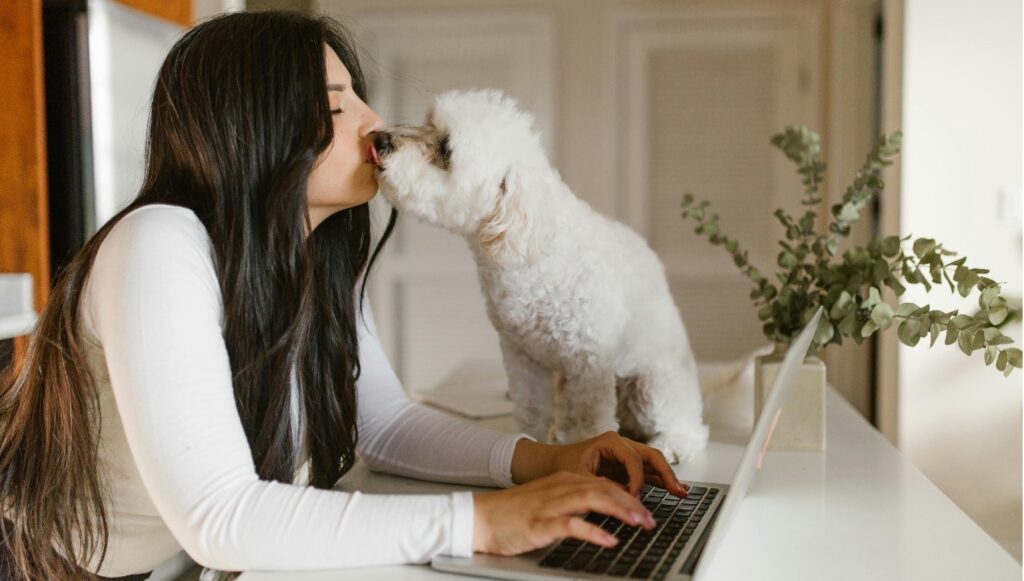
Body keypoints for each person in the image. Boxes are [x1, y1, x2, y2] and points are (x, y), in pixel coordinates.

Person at [0, 10, 687, 581]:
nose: (374, 122)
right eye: (336, 106)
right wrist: (483, 520)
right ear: (257, 129)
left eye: (358, 95)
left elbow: (384, 424)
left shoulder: (313, 255)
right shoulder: (158, 243)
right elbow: (220, 517)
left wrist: (543, 458)